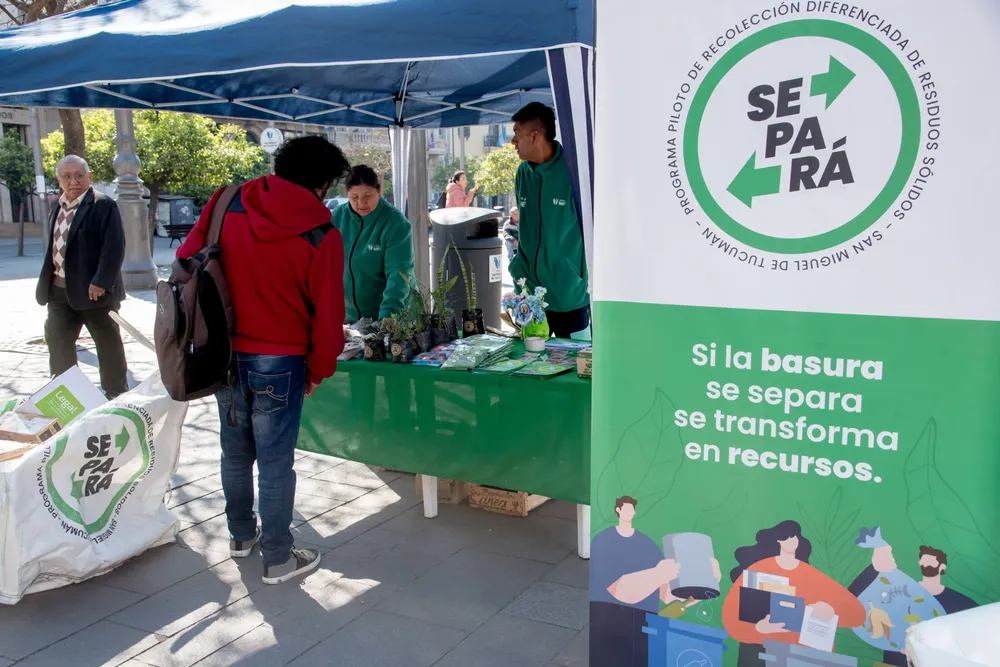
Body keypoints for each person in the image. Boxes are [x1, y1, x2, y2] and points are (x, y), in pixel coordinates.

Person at [176, 136, 349, 585]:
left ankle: (240, 536)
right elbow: (329, 315)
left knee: (234, 451)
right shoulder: (322, 234)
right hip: (282, 358)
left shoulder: (226, 201)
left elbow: (184, 258)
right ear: (323, 182)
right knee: (275, 460)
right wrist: (318, 370)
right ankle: (277, 557)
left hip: (223, 351)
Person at [36, 155, 128, 399]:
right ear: (59, 179)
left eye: (79, 175)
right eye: (67, 176)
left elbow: (114, 248)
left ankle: (115, 394)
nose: (73, 181)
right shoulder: (56, 204)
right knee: (58, 344)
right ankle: (65, 396)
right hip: (58, 291)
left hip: (93, 292)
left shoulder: (103, 205)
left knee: (108, 346)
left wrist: (100, 282)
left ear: (89, 177)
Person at [723, 520, 865, 666]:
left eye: (793, 536)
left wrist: (831, 610)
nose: (790, 541)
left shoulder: (812, 576)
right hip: (761, 651)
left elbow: (857, 615)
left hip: (799, 656)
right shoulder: (758, 569)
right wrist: (758, 628)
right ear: (777, 541)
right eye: (785, 537)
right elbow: (730, 618)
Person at [510, 102, 589, 338]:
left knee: (574, 367)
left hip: (568, 295)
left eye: (517, 134)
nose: (513, 141)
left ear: (535, 136)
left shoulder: (575, 170)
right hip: (530, 296)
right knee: (530, 365)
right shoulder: (523, 173)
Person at [849, 543, 978, 667]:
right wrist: (874, 568)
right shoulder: (898, 591)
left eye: (932, 562)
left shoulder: (961, 603)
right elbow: (850, 598)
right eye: (925, 561)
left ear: (942, 566)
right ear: (919, 563)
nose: (927, 565)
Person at [590, 496, 680, 667]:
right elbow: (617, 590)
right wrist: (658, 574)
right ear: (618, 510)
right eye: (626, 508)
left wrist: (700, 590)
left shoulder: (648, 544)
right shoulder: (604, 540)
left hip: (647, 629)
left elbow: (666, 596)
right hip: (612, 626)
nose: (629, 512)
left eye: (632, 509)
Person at [330, 165, 415, 322]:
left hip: (394, 316)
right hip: (350, 319)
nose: (361, 203)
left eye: (367, 196)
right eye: (354, 197)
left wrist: (388, 316)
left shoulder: (395, 224)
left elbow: (399, 275)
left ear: (379, 191)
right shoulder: (336, 218)